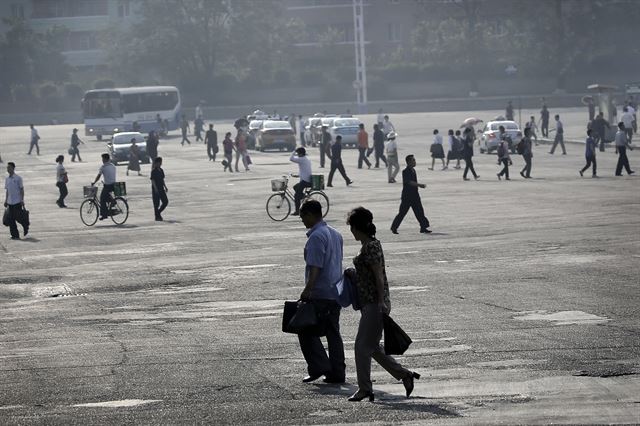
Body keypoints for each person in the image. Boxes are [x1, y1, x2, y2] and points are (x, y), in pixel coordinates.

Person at [346, 207, 420, 402]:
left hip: (374, 303)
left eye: (351, 227)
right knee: (373, 348)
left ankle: (365, 389)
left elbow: (379, 276)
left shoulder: (371, 246)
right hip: (368, 302)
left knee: (361, 347)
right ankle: (405, 375)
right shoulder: (368, 245)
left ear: (357, 227)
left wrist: (381, 302)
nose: (351, 232)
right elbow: (369, 275)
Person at [296, 199, 345, 384]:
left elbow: (315, 266)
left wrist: (308, 289)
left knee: (305, 328)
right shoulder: (335, 234)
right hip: (335, 291)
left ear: (310, 215)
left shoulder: (317, 237)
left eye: (302, 216)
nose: (302, 220)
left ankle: (318, 366)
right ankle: (337, 372)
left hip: (321, 292)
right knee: (333, 333)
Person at [390, 155, 431, 234]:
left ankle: (423, 227)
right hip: (407, 197)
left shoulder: (413, 170)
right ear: (408, 162)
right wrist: (420, 185)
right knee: (402, 213)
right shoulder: (405, 171)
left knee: (419, 212)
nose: (415, 162)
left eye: (414, 160)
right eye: (413, 160)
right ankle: (394, 227)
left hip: (415, 195)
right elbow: (409, 182)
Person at [4, 162, 28, 240]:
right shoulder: (7, 179)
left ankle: (25, 225)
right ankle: (15, 235)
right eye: (7, 168)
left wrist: (22, 199)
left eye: (9, 168)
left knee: (18, 218)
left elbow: (21, 190)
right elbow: (7, 190)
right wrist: (6, 200)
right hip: (10, 202)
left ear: (13, 168)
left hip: (17, 201)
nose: (8, 169)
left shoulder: (18, 178)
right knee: (11, 219)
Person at [91, 153, 117, 221]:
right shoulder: (113, 166)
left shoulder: (103, 167)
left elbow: (98, 176)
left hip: (108, 186)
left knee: (102, 199)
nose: (102, 160)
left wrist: (94, 182)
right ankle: (112, 202)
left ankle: (104, 214)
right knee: (106, 197)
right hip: (114, 185)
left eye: (102, 158)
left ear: (105, 159)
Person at [290, 147, 312, 216]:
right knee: (295, 187)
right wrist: (297, 175)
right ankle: (303, 196)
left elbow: (291, 159)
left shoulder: (302, 159)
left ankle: (297, 211)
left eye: (298, 153)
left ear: (301, 154)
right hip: (307, 180)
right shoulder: (306, 159)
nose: (297, 155)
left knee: (296, 196)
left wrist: (294, 151)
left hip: (305, 181)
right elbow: (304, 170)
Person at [151, 157, 168, 221]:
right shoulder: (153, 171)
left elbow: (162, 179)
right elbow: (153, 180)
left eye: (161, 162)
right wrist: (155, 189)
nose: (160, 163)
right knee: (156, 204)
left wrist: (165, 187)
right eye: (159, 162)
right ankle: (157, 217)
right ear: (156, 163)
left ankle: (158, 212)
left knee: (165, 202)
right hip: (156, 190)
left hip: (161, 188)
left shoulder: (161, 170)